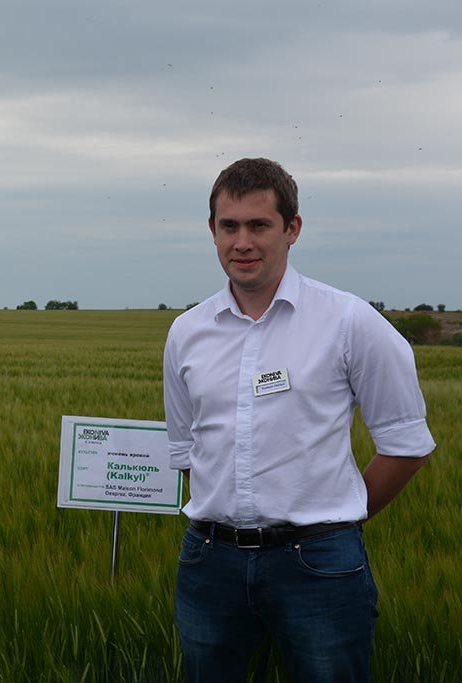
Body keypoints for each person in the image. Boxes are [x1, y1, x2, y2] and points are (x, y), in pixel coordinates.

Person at [163, 157, 435, 682]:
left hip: (320, 564)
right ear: (212, 230)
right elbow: (186, 450)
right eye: (229, 226)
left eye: (259, 225)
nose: (242, 242)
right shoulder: (187, 332)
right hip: (210, 562)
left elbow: (406, 445)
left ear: (292, 229)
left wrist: (337, 519)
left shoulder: (349, 321)